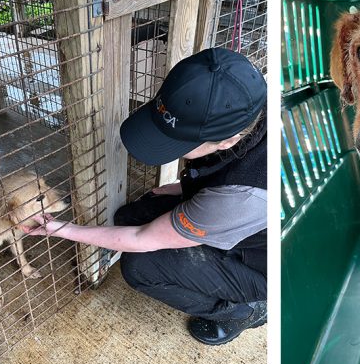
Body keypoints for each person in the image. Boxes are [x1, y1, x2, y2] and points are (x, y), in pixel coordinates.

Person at [21, 48, 267, 345]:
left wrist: (61, 229)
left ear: (229, 140)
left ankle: (240, 312)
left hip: (259, 265)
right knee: (128, 215)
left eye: (179, 141)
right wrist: (184, 186)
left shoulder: (241, 196)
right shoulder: (251, 103)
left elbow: (142, 238)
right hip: (241, 218)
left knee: (139, 266)